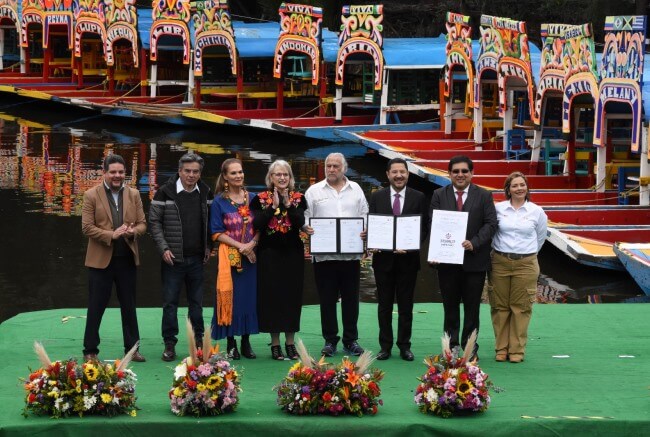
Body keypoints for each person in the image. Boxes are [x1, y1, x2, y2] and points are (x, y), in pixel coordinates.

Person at [429, 155, 497, 361]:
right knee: (449, 306)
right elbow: (434, 224)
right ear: (449, 174)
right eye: (456, 171)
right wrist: (434, 252)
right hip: (448, 261)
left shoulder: (484, 195)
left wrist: (474, 242)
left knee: (472, 306)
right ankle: (451, 346)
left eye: (464, 171)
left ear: (471, 173)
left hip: (474, 261)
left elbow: (491, 224)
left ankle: (470, 345)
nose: (460, 175)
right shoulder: (439, 194)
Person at [81, 154, 146, 362]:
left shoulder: (134, 194)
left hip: (126, 258)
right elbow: (87, 227)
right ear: (104, 173)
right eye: (113, 172)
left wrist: (132, 232)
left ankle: (132, 349)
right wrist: (112, 235)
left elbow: (143, 224)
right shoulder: (91, 195)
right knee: (96, 306)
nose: (117, 176)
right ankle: (90, 351)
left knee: (129, 305)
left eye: (121, 172)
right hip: (100, 261)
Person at [149, 153, 214, 362]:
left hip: (197, 258)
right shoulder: (164, 192)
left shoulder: (205, 192)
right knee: (170, 303)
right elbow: (154, 223)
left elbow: (211, 222)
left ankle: (198, 343)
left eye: (195, 171)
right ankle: (170, 343)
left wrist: (209, 246)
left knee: (197, 304)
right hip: (172, 258)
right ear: (179, 171)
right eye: (187, 171)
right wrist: (163, 248)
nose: (191, 175)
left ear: (200, 173)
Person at [304, 153, 369, 357]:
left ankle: (351, 340)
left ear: (344, 169)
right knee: (327, 299)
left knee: (351, 299)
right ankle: (330, 340)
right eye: (328, 166)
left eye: (335, 166)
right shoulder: (313, 191)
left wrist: (365, 231)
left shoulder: (356, 189)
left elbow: (365, 214)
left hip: (350, 256)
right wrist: (307, 229)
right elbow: (305, 217)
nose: (331, 169)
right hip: (324, 256)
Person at [369, 158, 428, 361]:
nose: (399, 175)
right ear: (388, 175)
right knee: (384, 305)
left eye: (402, 172)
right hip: (383, 260)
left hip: (408, 260)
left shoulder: (419, 197)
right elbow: (372, 223)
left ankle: (404, 346)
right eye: (394, 172)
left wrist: (412, 245)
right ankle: (385, 346)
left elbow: (424, 228)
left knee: (406, 305)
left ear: (408, 174)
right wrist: (372, 241)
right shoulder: (377, 197)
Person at [251, 160, 307, 360]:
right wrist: (272, 207)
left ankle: (290, 343)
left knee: (292, 297)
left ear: (290, 178)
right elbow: (256, 224)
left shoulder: (299, 198)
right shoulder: (259, 199)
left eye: (286, 175)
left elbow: (300, 222)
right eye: (278, 175)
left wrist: (288, 205)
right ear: (271, 177)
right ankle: (275, 344)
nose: (282, 178)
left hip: (293, 254)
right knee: (272, 298)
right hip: (269, 254)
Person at [490, 171, 547, 363]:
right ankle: (501, 348)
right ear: (508, 189)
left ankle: (516, 350)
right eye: (514, 185)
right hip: (500, 261)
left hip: (526, 263)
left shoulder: (536, 211)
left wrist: (526, 253)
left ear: (527, 188)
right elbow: (492, 231)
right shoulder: (499, 209)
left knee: (521, 307)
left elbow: (540, 237)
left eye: (522, 185)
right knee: (500, 306)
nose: (519, 188)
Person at [210, 158, 259, 359]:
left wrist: (252, 244)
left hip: (252, 258)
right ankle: (231, 342)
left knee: (249, 299)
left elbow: (262, 226)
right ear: (225, 177)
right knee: (232, 300)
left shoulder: (255, 198)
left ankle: (246, 341)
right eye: (233, 173)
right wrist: (241, 247)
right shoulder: (219, 202)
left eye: (240, 172)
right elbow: (216, 232)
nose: (238, 176)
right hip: (229, 257)